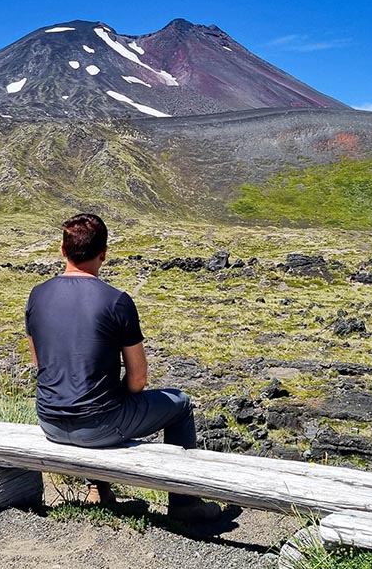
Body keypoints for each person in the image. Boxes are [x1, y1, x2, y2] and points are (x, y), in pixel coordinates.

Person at [24, 213, 232, 522]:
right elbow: (138, 377)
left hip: (50, 422)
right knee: (181, 404)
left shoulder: (37, 295)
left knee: (91, 393)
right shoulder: (116, 301)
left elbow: (39, 364)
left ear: (62, 250)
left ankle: (98, 488)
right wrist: (116, 396)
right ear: (104, 254)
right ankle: (185, 504)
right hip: (99, 426)